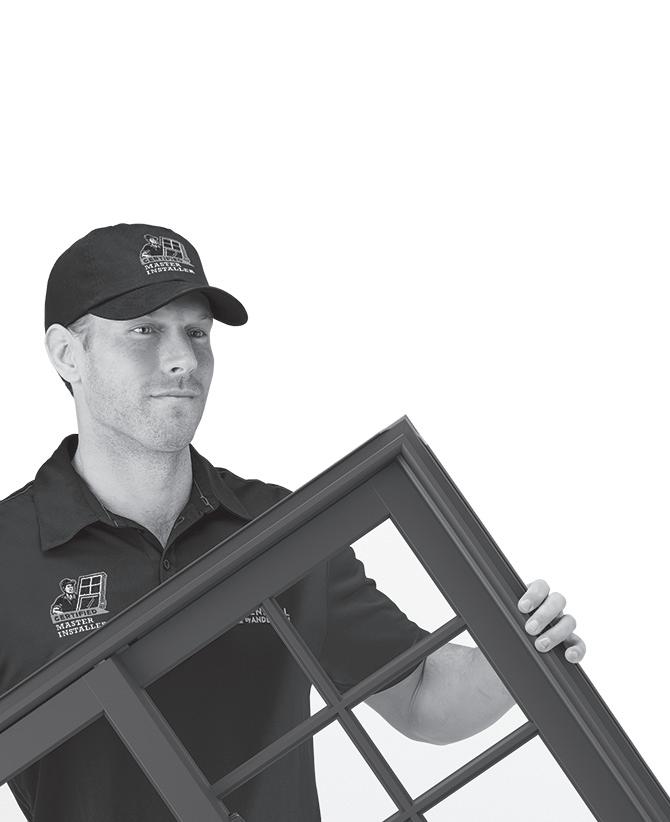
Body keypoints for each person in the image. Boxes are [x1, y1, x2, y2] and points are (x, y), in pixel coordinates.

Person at [0, 223, 587, 821]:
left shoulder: (276, 531)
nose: (183, 360)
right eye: (144, 331)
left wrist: (519, 654)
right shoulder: (7, 557)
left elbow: (419, 695)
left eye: (196, 333)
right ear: (67, 353)